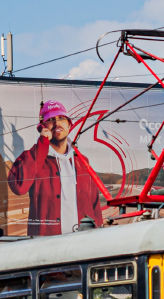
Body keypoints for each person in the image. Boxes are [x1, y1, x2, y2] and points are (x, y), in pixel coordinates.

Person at [7, 100, 106, 236]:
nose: (57, 123)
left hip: (83, 243)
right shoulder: (33, 157)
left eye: (61, 118)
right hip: (48, 246)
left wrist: (99, 237)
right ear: (42, 127)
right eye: (51, 119)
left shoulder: (82, 161)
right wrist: (42, 144)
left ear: (69, 124)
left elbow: (94, 206)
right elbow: (19, 187)